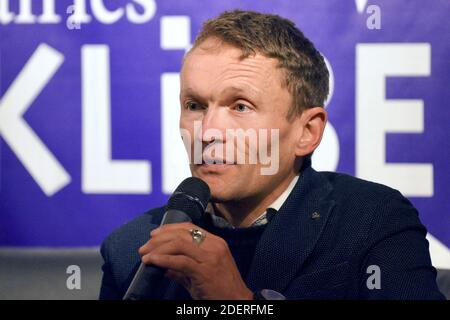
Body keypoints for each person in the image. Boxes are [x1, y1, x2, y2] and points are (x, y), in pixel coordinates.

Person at [99, 10, 444, 300]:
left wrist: (240, 302)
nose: (207, 133)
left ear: (306, 132)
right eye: (194, 105)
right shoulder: (131, 249)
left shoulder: (371, 222)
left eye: (240, 106)